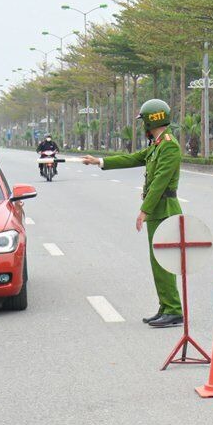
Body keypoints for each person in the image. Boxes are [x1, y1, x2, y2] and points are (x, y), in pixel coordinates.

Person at [81, 99, 183, 327]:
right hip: (158, 211)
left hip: (164, 210)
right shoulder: (157, 145)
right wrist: (99, 161)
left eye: (143, 121)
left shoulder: (169, 145)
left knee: (163, 261)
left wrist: (144, 210)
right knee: (157, 261)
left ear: (151, 119)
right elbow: (133, 158)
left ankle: (174, 309)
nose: (142, 125)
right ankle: (165, 306)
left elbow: (159, 182)